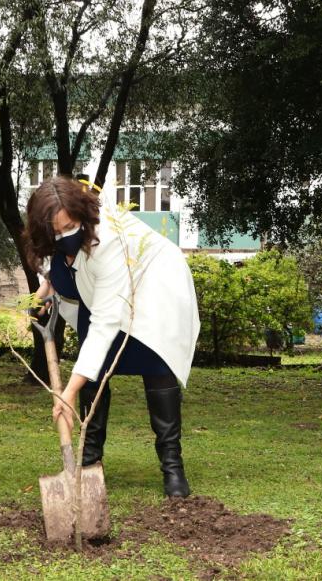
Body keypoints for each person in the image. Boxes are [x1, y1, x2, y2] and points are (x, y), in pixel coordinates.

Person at [24, 177, 200, 497]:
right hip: (103, 294)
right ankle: (90, 463)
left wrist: (68, 392)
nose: (64, 235)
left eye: (71, 226)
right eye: (57, 231)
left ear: (83, 216)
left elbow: (105, 321)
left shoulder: (109, 240)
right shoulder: (60, 242)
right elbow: (60, 270)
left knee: (156, 365)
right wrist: (44, 291)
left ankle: (172, 467)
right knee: (93, 370)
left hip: (152, 290)